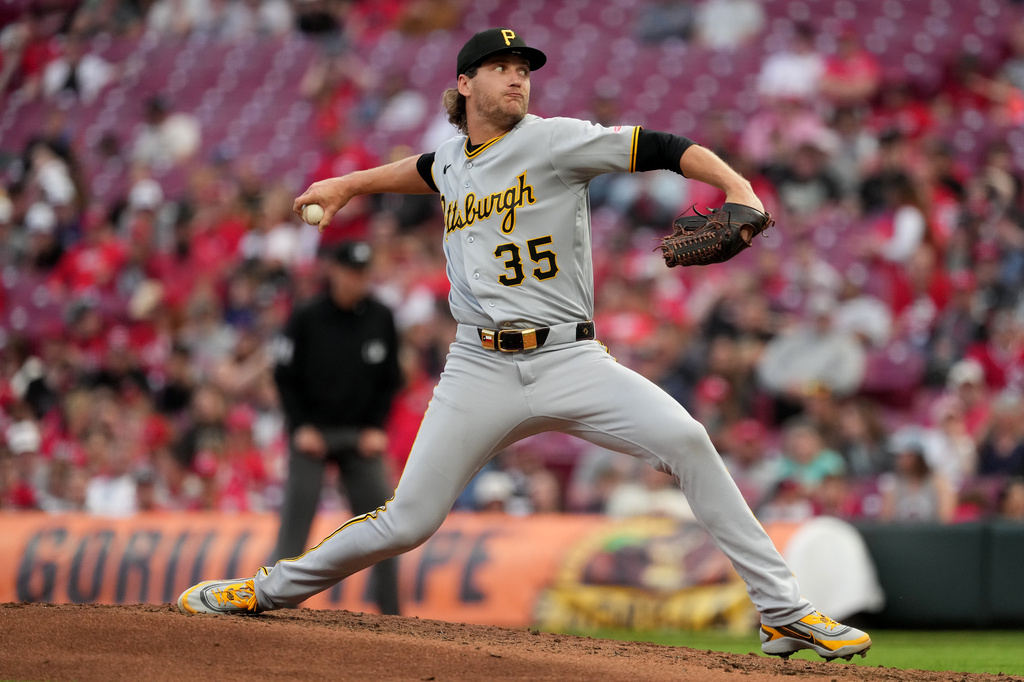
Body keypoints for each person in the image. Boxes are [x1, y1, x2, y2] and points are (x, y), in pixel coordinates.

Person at [177, 27, 871, 662]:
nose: (517, 78)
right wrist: (348, 185)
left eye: (523, 69)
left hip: (570, 359)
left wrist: (738, 187)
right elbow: (422, 169)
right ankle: (267, 591)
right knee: (407, 521)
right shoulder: (453, 160)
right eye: (500, 67)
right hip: (478, 366)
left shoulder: (553, 140)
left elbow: (658, 145)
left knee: (687, 439)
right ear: (464, 88)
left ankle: (784, 612)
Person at [267, 240, 403, 615]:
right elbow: (283, 375)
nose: (359, 280)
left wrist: (377, 426)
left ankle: (391, 614)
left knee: (387, 524)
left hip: (360, 434)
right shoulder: (307, 316)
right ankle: (275, 605)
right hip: (313, 433)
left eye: (364, 273)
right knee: (295, 525)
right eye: (352, 272)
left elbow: (391, 379)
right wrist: (300, 426)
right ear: (335, 271)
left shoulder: (381, 316)